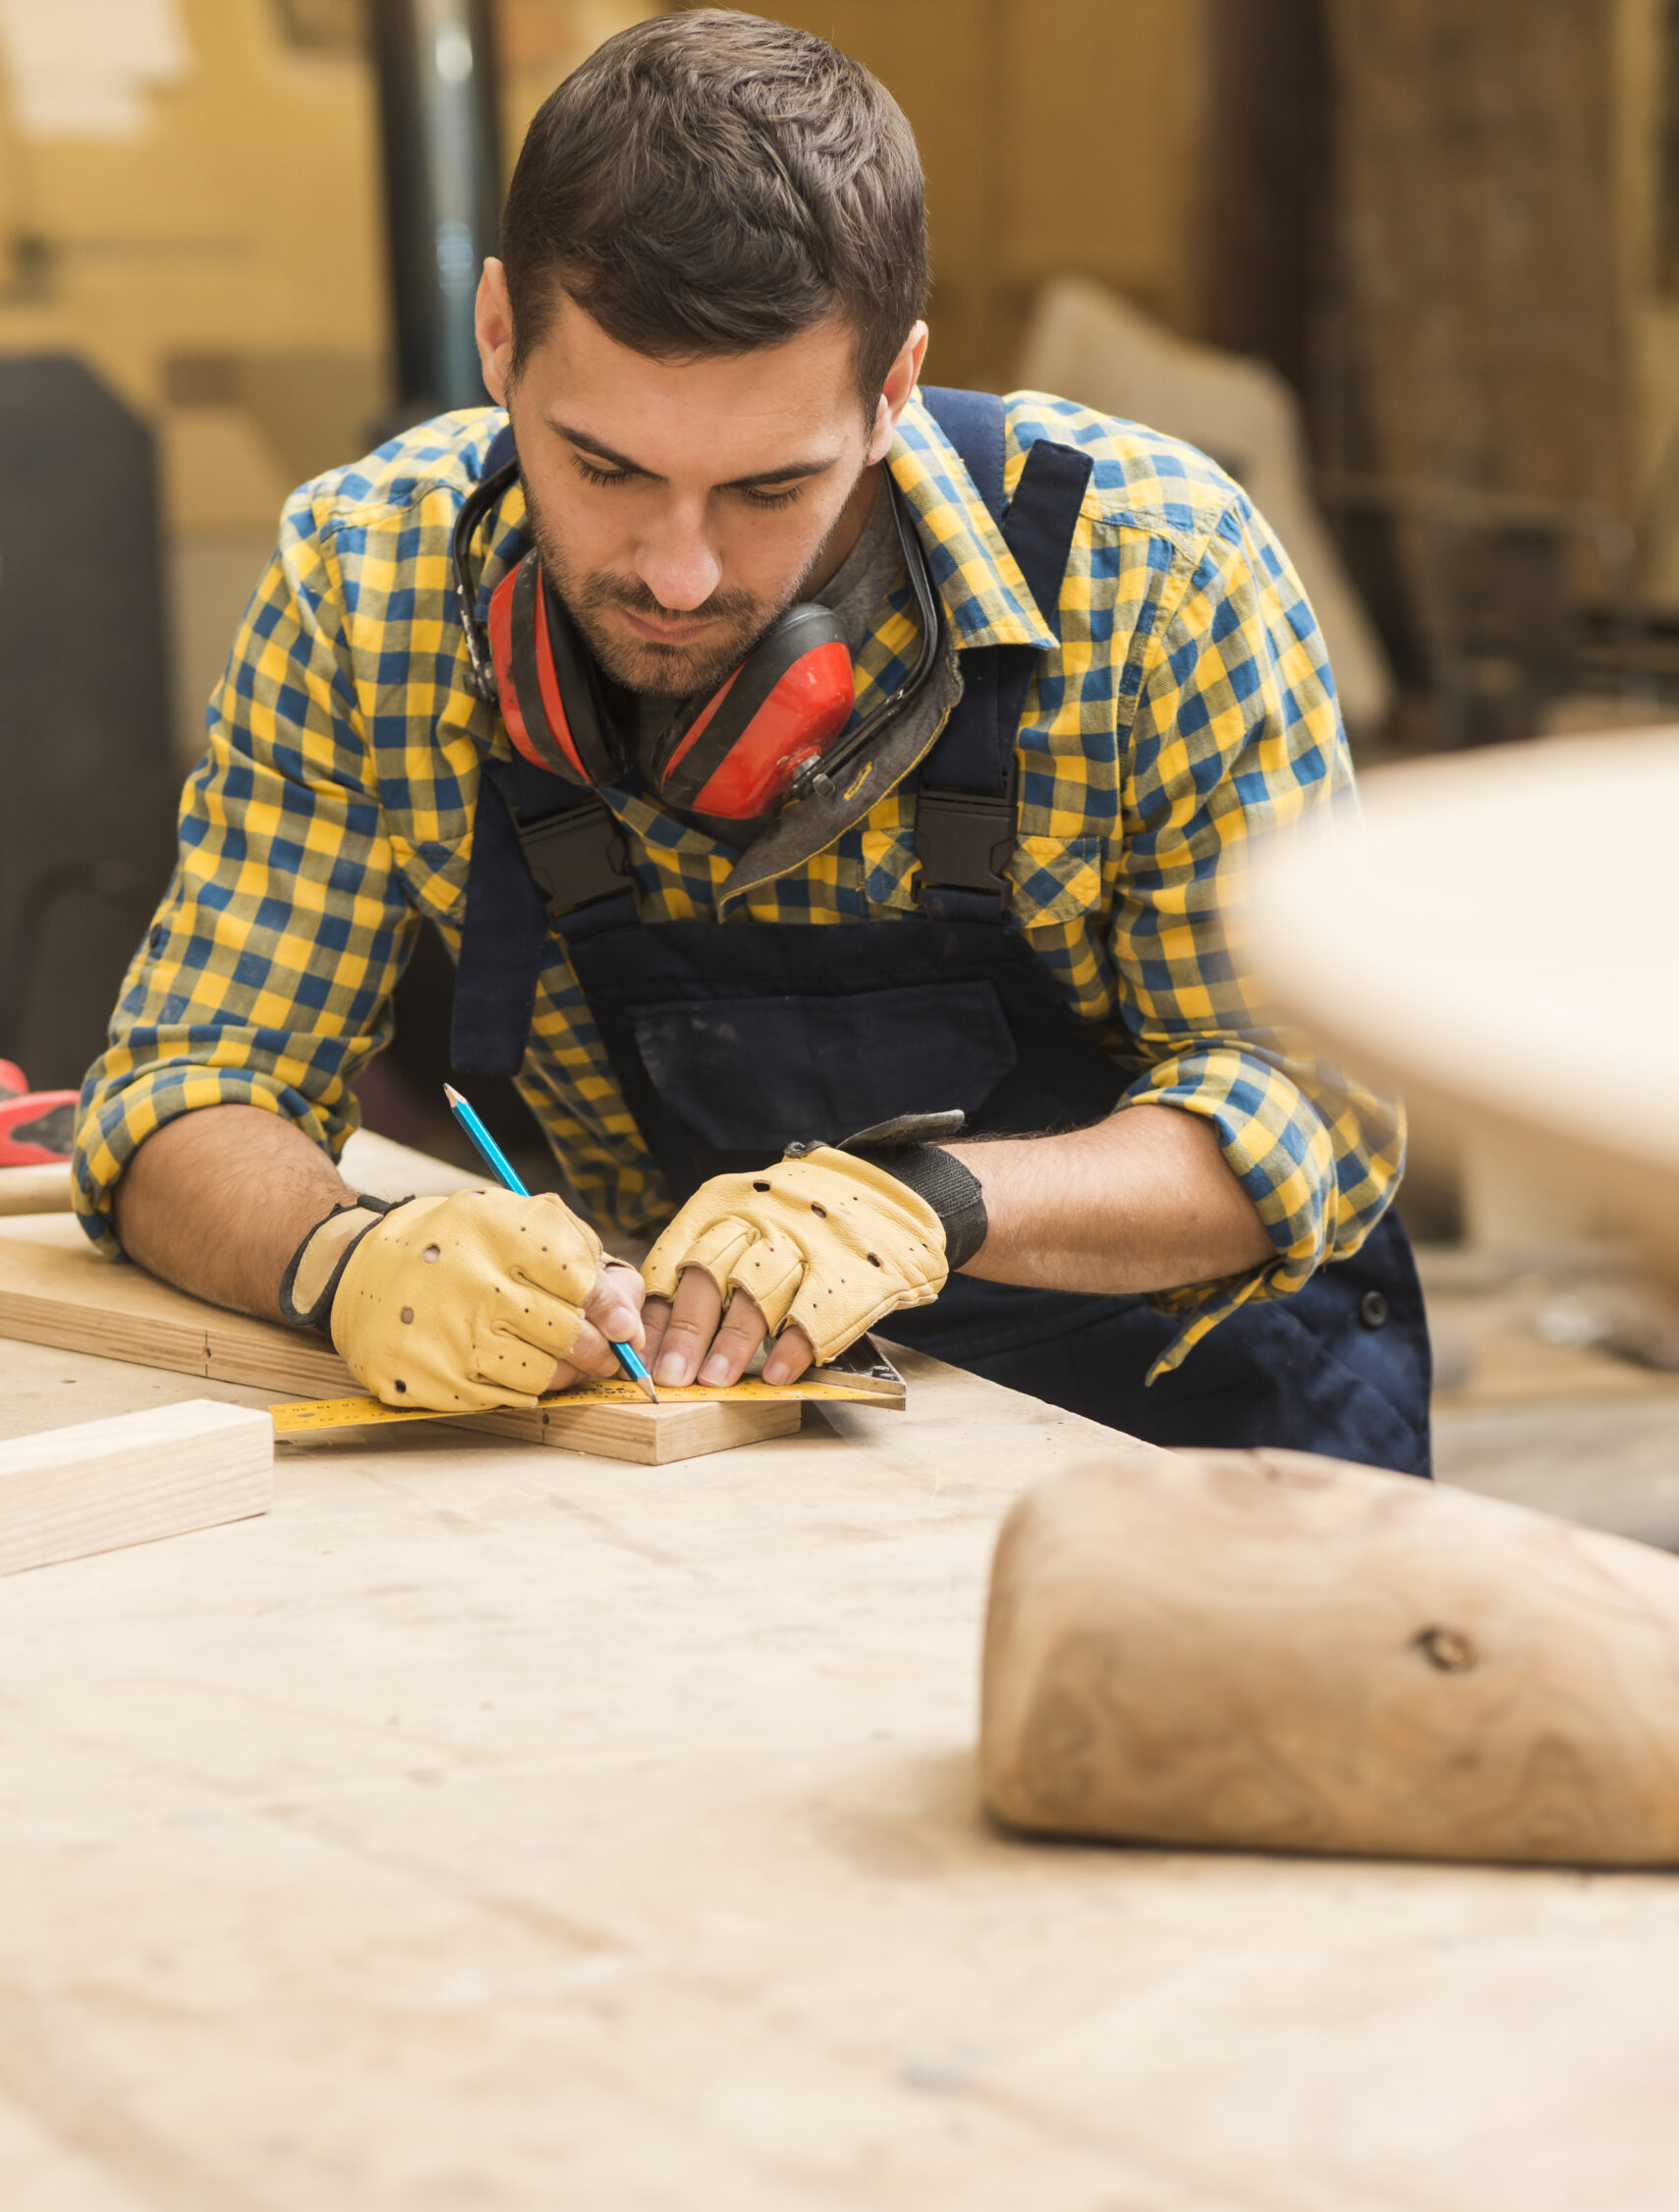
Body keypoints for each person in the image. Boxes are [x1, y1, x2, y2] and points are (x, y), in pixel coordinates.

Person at [75, 9, 1429, 1471]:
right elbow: (176, 1093)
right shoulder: (372, 581)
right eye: (602, 467)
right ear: (497, 338)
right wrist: (341, 1258)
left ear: (893, 389)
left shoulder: (1152, 570)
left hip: (1198, 1435)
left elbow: (1309, 1108)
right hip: (754, 1456)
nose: (675, 573)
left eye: (768, 489)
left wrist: (929, 1203)